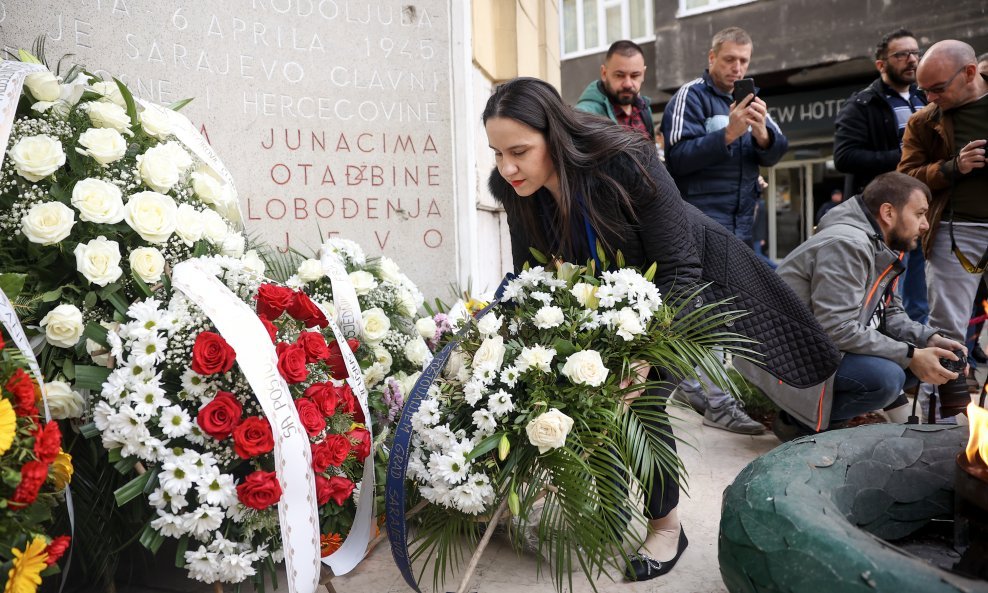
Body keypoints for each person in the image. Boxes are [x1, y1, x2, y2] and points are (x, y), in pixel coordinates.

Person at [483, 77, 839, 581]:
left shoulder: (626, 161)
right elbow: (534, 272)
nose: (507, 167)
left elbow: (679, 268)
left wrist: (641, 354)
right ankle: (609, 509)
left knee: (642, 400)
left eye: (518, 151)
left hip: (683, 288)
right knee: (579, 393)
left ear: (555, 136)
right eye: (497, 153)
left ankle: (667, 525)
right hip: (602, 298)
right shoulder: (515, 188)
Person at [736, 172, 965, 441]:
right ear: (888, 213)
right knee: (887, 377)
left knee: (917, 362)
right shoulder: (848, 244)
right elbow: (835, 327)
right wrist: (911, 354)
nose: (926, 224)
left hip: (817, 349)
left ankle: (814, 420)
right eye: (920, 214)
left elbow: (889, 314)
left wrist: (929, 339)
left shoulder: (882, 246)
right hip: (783, 357)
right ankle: (799, 425)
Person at [659, 26, 788, 434]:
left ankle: (693, 385)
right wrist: (728, 134)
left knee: (715, 316)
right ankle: (715, 403)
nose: (737, 68)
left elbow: (777, 150)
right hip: (696, 225)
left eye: (744, 61)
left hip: (738, 227)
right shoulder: (690, 96)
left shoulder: (752, 102)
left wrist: (761, 133)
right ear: (711, 56)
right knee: (709, 317)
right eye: (730, 59)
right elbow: (677, 158)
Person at [898, 40, 988, 421]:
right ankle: (942, 426)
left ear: (969, 73)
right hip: (958, 231)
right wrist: (954, 167)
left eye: (937, 88)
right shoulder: (924, 121)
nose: (929, 97)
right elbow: (905, 178)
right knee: (947, 332)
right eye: (924, 90)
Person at [834, 29, 929, 324]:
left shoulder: (926, 97)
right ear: (881, 64)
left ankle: (923, 343)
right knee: (886, 291)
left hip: (928, 207)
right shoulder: (862, 104)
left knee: (919, 289)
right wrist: (905, 156)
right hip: (886, 216)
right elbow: (844, 157)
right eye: (901, 54)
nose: (911, 60)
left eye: (915, 53)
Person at [575, 39, 655, 142]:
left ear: (643, 74)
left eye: (635, 75)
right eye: (619, 75)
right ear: (604, 73)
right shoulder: (584, 115)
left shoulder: (645, 109)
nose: (628, 84)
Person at [752, 176, 776, 269]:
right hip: (755, 235)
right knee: (757, 256)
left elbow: (760, 222)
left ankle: (777, 268)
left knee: (758, 256)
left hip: (756, 236)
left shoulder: (759, 204)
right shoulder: (757, 203)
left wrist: (762, 238)